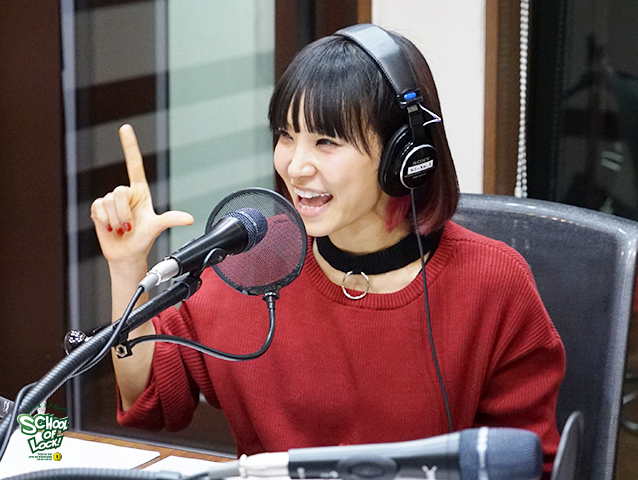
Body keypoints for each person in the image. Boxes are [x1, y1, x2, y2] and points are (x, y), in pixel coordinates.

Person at [90, 24, 565, 477]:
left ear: (403, 154)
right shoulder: (252, 262)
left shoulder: (493, 281)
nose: (296, 167)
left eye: (326, 142)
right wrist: (127, 265)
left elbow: (524, 463)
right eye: (286, 136)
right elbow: (150, 394)